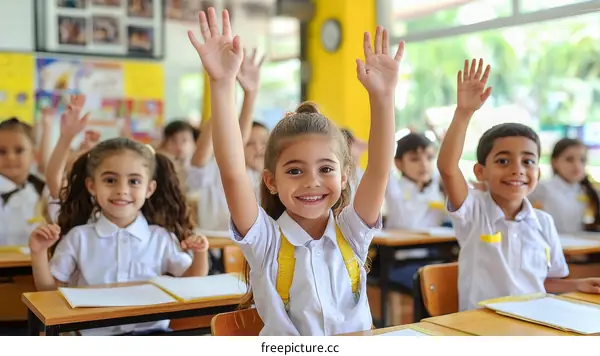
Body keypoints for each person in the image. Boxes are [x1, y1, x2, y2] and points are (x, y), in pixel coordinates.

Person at [187, 7, 403, 335]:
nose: (312, 182)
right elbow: (231, 170)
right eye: (295, 171)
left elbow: (379, 169)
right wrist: (222, 84)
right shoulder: (266, 241)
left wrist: (383, 97)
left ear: (345, 176)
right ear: (271, 180)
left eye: (326, 168)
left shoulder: (352, 232)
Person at [437, 58, 600, 312]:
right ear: (480, 171)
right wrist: (464, 113)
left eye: (528, 161)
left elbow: (544, 282)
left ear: (538, 170)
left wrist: (577, 284)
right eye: (503, 160)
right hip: (481, 328)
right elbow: (448, 168)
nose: (517, 169)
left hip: (533, 323)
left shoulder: (544, 223)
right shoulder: (473, 212)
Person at [29, 137, 209, 335]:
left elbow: (194, 278)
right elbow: (49, 295)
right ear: (92, 186)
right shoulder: (78, 238)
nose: (122, 190)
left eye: (134, 181)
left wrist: (200, 253)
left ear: (149, 189)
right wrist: (38, 252)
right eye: (110, 180)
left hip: (152, 337)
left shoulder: (160, 238)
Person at [529, 138, 600, 233]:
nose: (577, 165)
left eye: (582, 160)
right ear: (554, 162)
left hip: (582, 245)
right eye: (569, 159)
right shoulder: (542, 188)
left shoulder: (588, 192)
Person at [0, 118, 47, 246]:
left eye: (19, 150)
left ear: (33, 155)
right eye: (1, 152)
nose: (10, 157)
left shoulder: (39, 191)